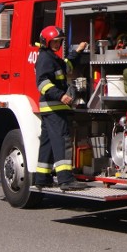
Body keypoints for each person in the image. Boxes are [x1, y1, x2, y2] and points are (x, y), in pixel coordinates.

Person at [34, 26, 89, 191]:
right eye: (55, 42)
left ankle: (42, 178)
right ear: (47, 42)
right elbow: (42, 83)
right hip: (54, 107)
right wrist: (60, 95)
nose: (58, 44)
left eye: (59, 42)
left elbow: (67, 66)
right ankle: (65, 180)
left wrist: (78, 51)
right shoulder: (45, 59)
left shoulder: (53, 58)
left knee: (48, 143)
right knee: (62, 140)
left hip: (51, 108)